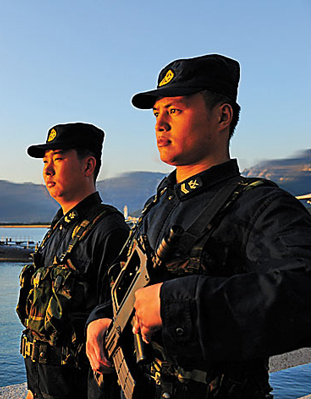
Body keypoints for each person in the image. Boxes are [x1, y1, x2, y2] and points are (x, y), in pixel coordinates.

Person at [86, 54, 311, 398]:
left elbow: (303, 291)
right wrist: (102, 318)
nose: (160, 124)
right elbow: (125, 281)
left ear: (223, 116)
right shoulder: (158, 206)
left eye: (175, 110)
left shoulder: (259, 206)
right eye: (156, 113)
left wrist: (178, 304)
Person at [17, 122, 130, 399]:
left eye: (58, 159)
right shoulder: (56, 230)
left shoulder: (108, 231)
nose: (47, 170)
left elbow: (114, 336)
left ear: (88, 166)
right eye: (45, 161)